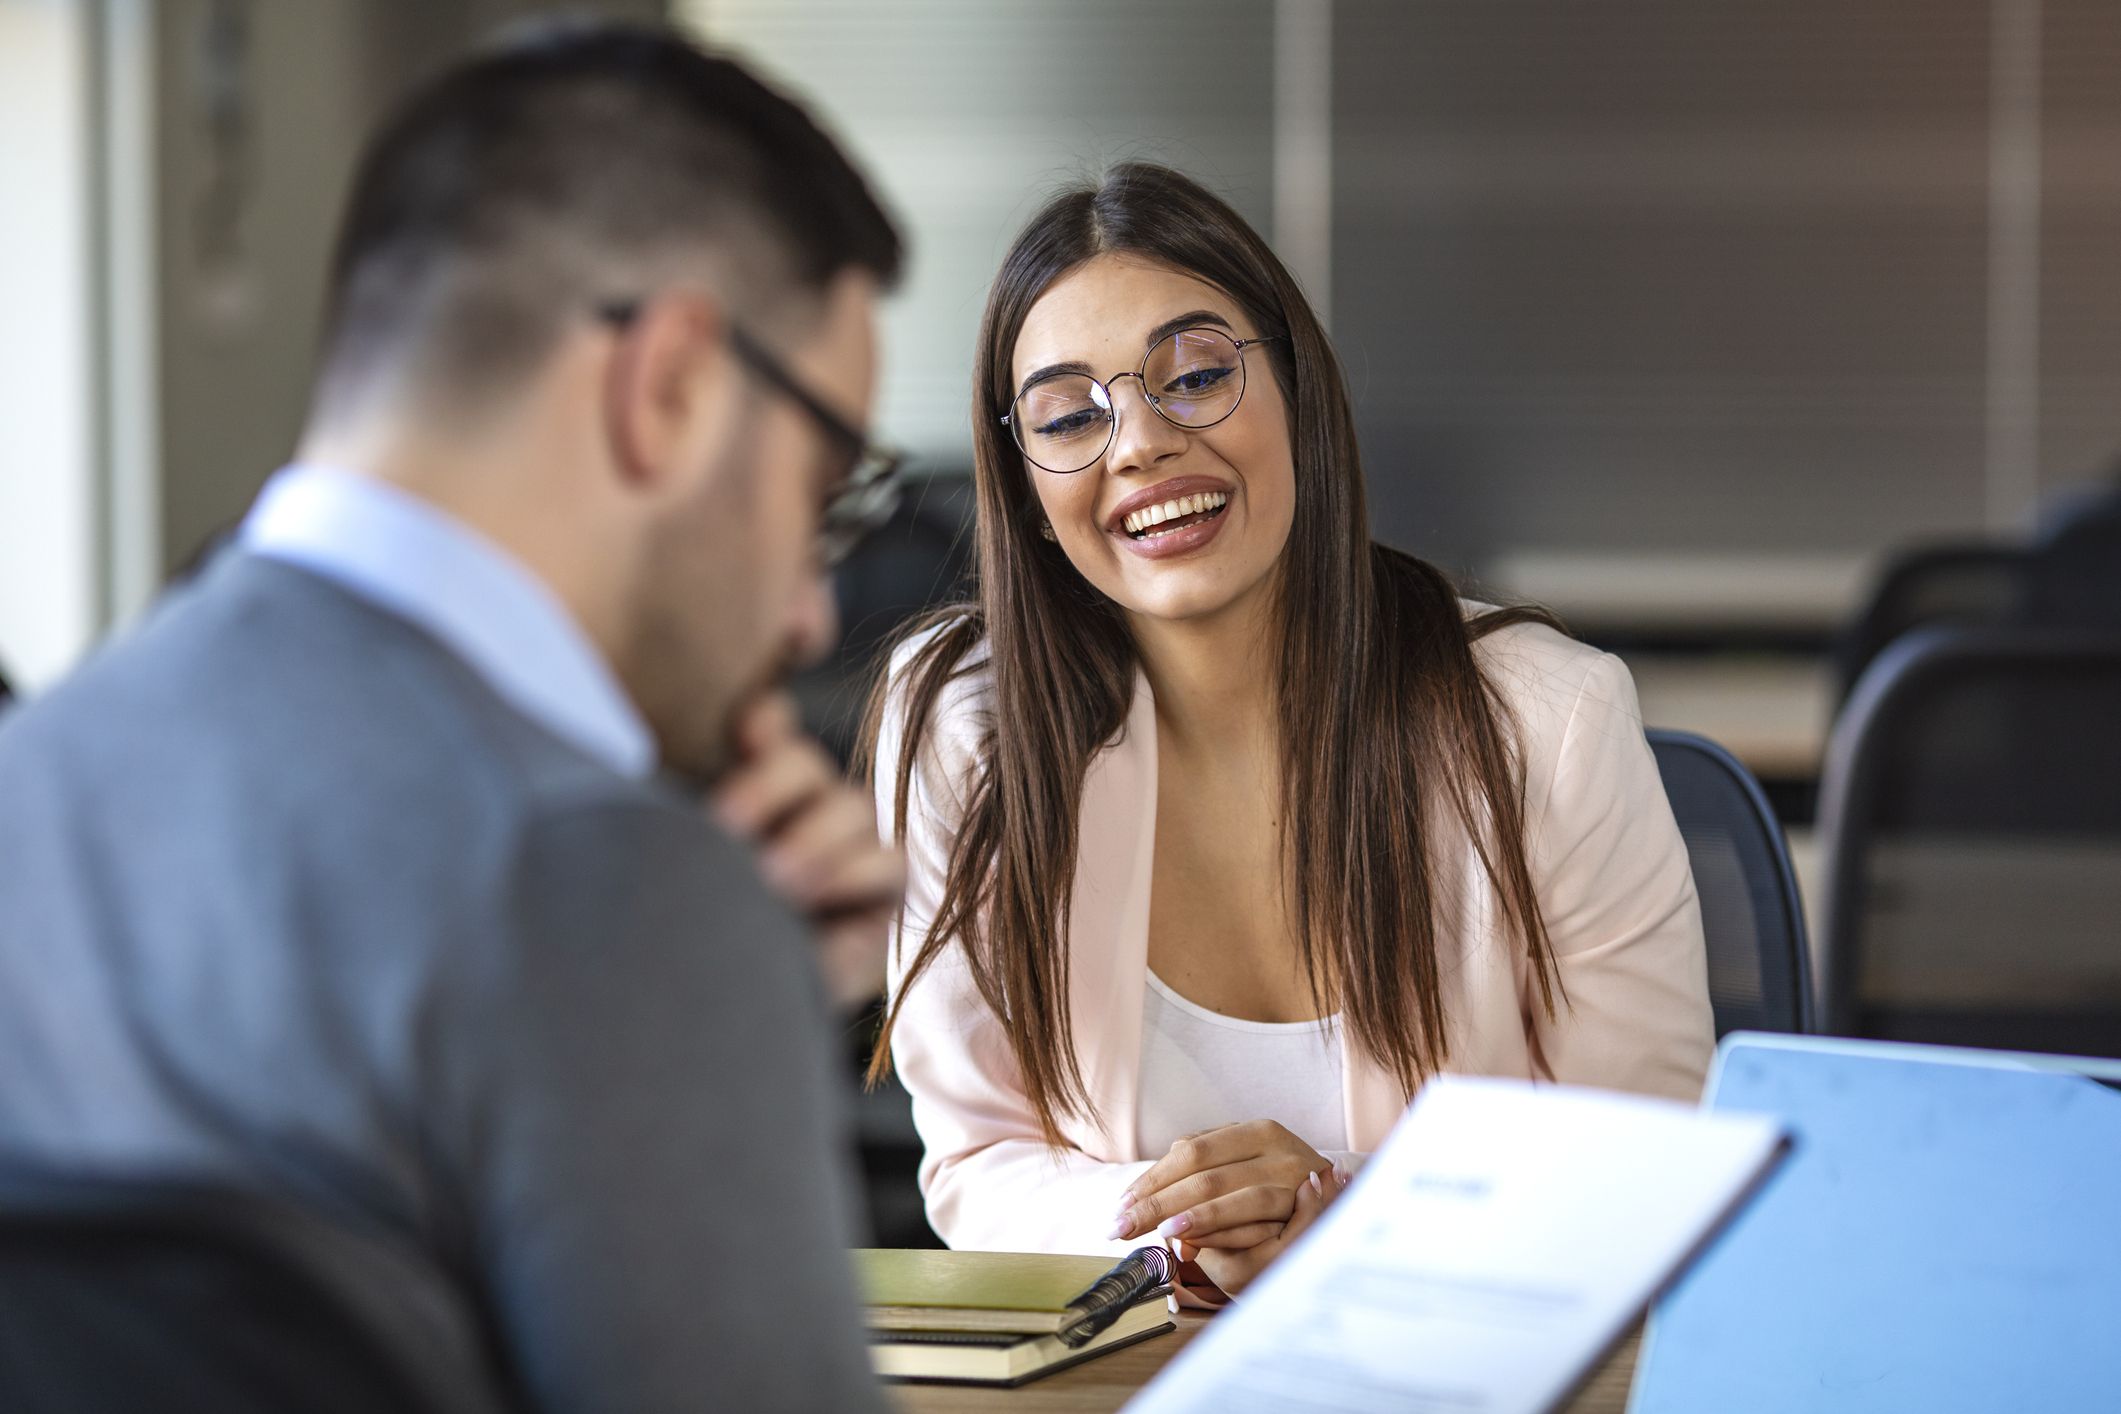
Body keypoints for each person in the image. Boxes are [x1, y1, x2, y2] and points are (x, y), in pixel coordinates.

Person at [0, 22, 904, 1413]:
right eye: (821, 492)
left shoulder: (42, 775)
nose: (810, 613)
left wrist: (734, 1014)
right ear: (665, 386)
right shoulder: (604, 880)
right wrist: (705, 988)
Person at [863, 162, 1714, 1307]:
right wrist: (1185, 1234)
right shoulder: (966, 727)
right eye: (1071, 414)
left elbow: (1640, 1174)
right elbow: (976, 1161)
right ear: (1025, 489)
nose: (1140, 443)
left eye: (1198, 375)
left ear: (1300, 391)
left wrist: (1338, 1213)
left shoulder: (1543, 721)